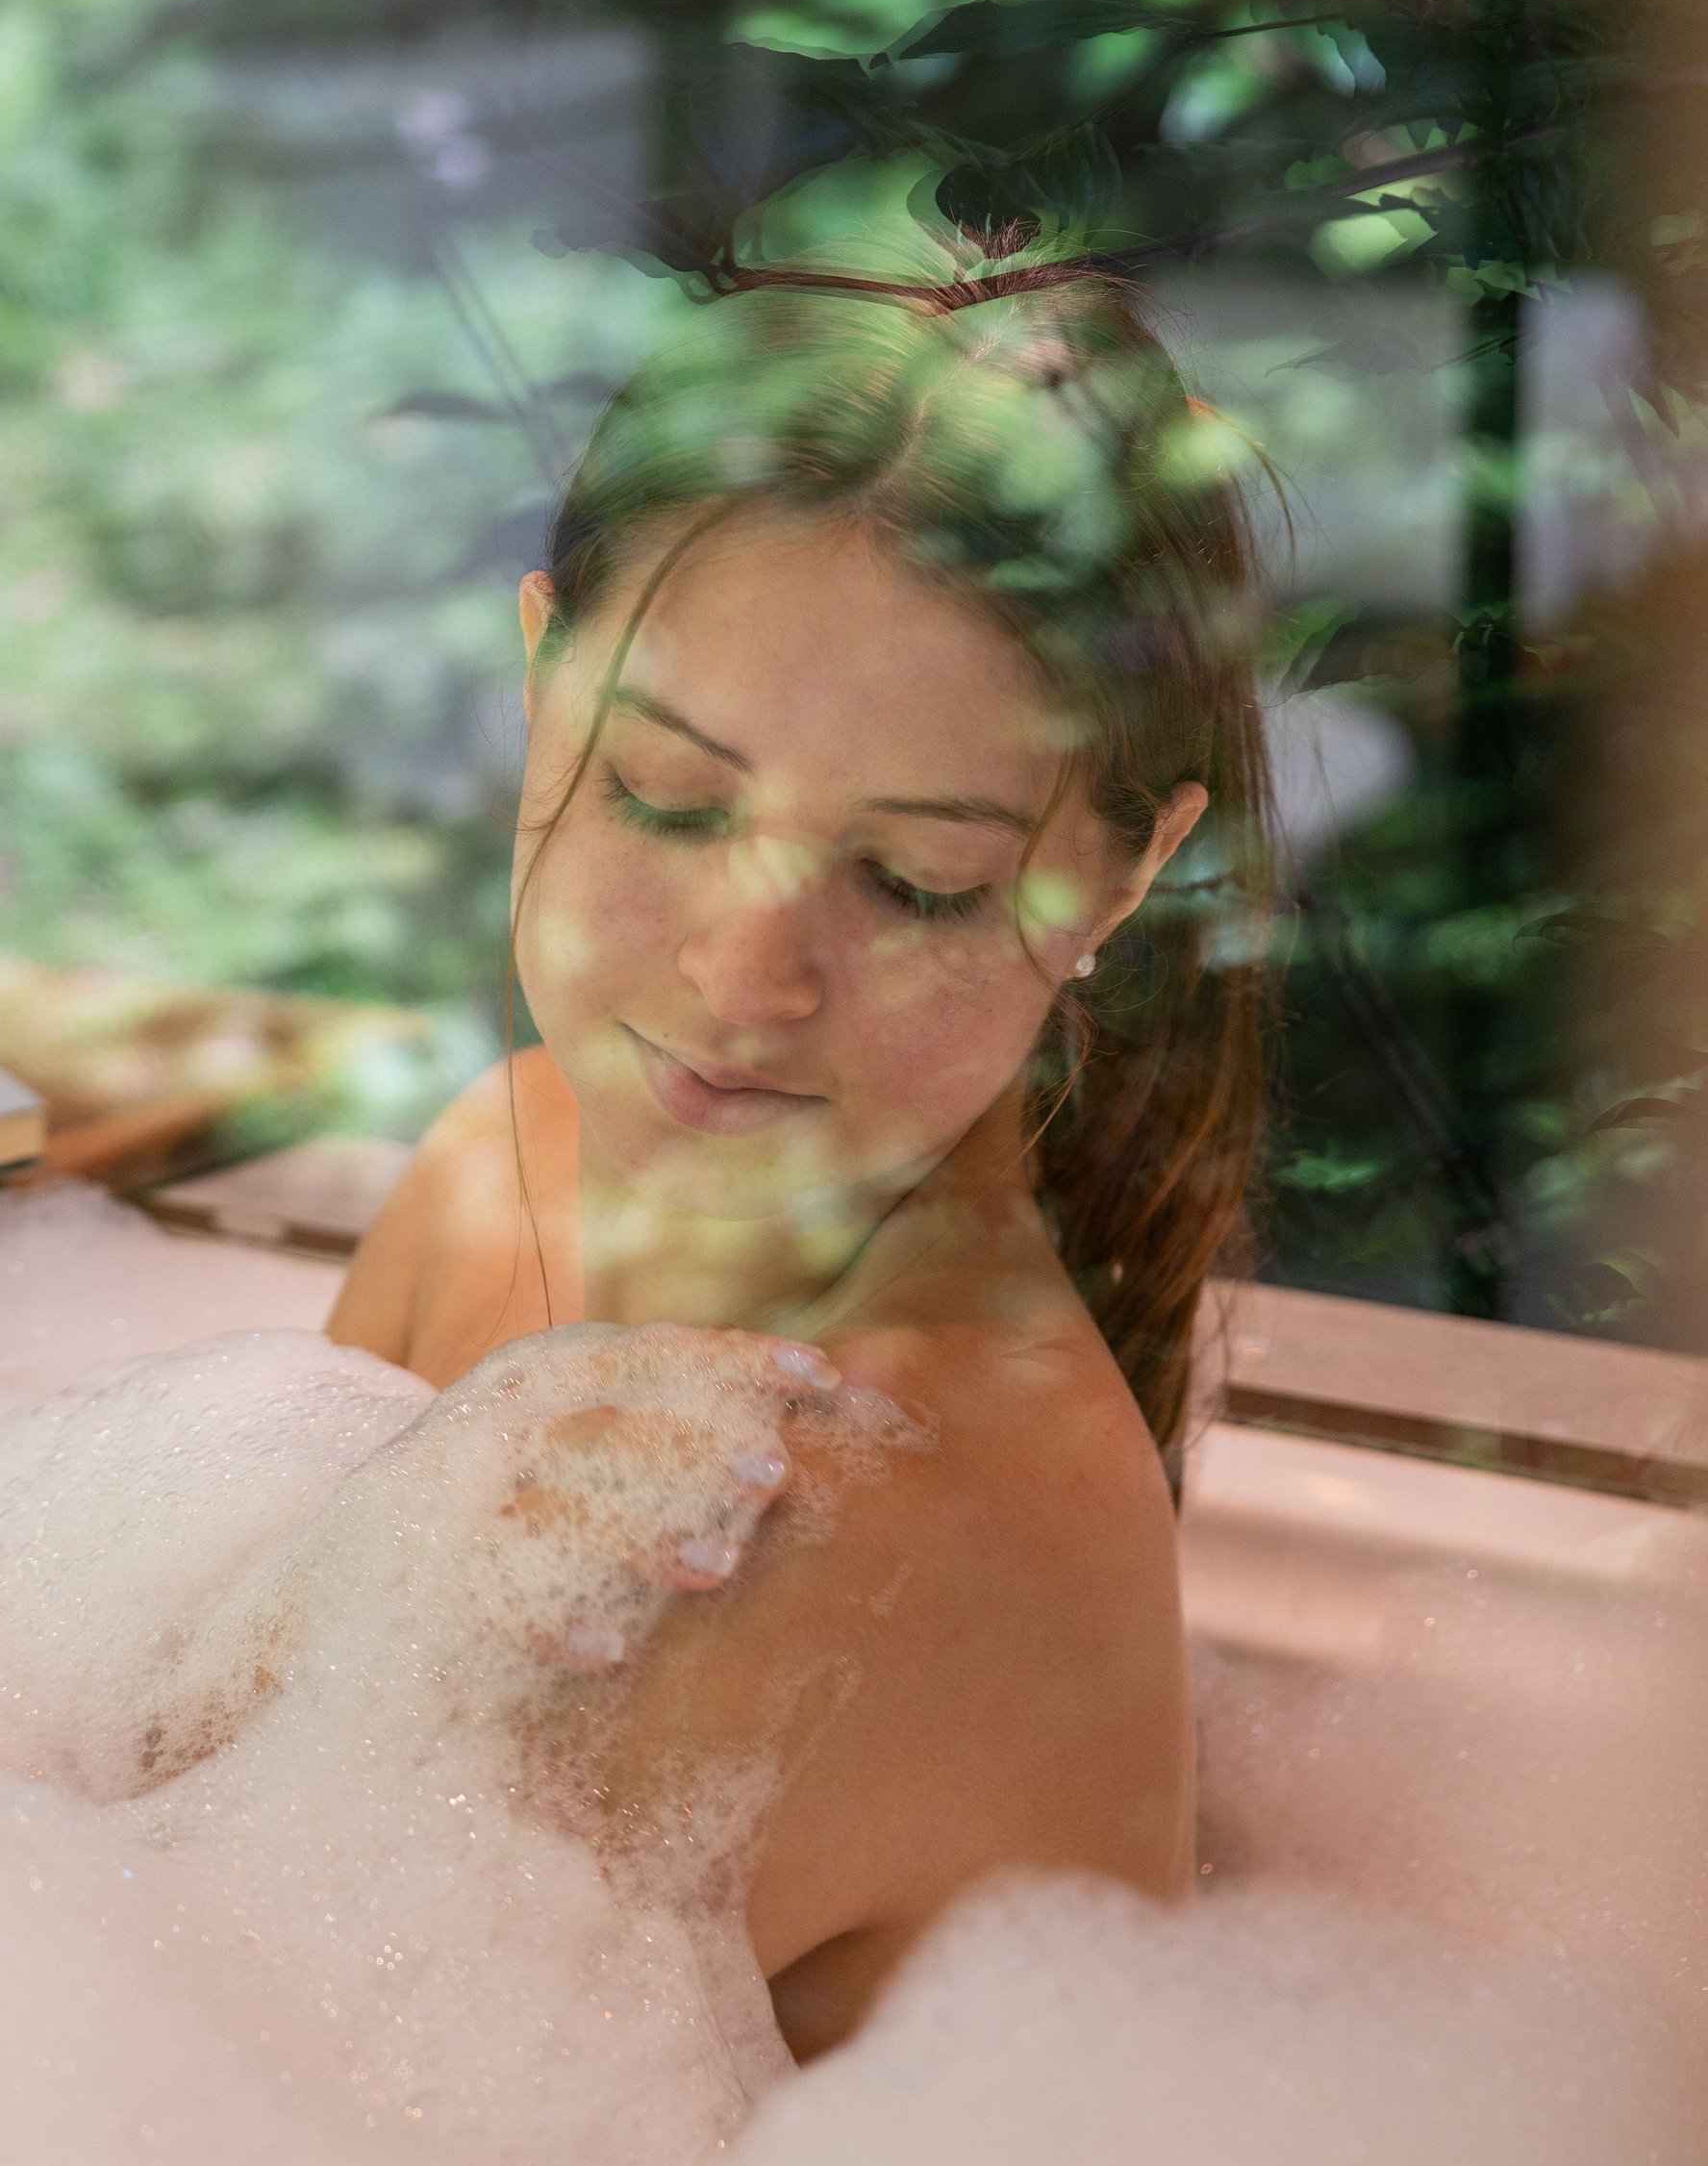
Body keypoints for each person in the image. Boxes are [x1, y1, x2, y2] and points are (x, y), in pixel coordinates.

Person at [329, 248, 1270, 2057]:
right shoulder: (494, 1162)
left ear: (1125, 878)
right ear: (538, 679)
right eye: (666, 797)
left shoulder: (859, 1511)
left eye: (913, 881)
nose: (746, 973)